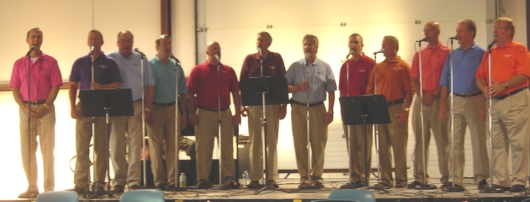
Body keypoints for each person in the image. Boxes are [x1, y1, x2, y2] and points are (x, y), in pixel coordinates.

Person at [475, 17, 530, 192]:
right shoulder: (490, 52)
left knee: (518, 142)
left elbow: (524, 74)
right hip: (495, 102)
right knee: (497, 143)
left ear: (508, 32)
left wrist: (504, 85)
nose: (494, 30)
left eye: (498, 28)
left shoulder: (519, 49)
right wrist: (484, 90)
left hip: (515, 99)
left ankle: (519, 180)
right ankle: (501, 180)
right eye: (494, 27)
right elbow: (479, 76)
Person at [10, 27, 63, 198]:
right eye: (33, 37)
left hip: (45, 110)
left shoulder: (50, 62)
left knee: (48, 151)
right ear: (27, 40)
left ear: (42, 41)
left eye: (39, 37)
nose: (35, 39)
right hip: (26, 110)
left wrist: (46, 106)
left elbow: (55, 85)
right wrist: (25, 108)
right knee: (27, 150)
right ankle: (32, 188)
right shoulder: (19, 63)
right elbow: (15, 89)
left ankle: (49, 189)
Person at [68, 29, 122, 195]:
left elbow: (117, 84)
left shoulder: (110, 62)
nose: (93, 41)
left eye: (96, 38)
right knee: (81, 147)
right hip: (84, 104)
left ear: (102, 42)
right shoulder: (80, 62)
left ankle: (99, 183)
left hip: (102, 105)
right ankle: (80, 184)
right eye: (91, 38)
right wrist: (72, 107)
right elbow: (72, 84)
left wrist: (102, 87)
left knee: (101, 147)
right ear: (87, 42)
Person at [438, 19, 489, 190]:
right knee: (455, 141)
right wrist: (442, 106)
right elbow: (445, 81)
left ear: (471, 33)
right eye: (456, 30)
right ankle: (456, 180)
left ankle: (481, 178)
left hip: (476, 99)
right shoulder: (452, 54)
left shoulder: (482, 53)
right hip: (456, 100)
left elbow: (487, 80)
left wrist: (486, 105)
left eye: (461, 31)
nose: (457, 34)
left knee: (478, 140)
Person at [187, 41, 241, 189]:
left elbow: (236, 93)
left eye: (218, 48)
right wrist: (192, 113)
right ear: (207, 52)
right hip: (204, 112)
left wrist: (237, 113)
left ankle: (228, 178)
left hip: (224, 112)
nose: (217, 50)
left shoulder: (228, 70)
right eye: (213, 48)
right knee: (204, 148)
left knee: (227, 148)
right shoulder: (197, 70)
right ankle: (203, 179)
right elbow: (190, 94)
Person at [285, 34, 336, 189]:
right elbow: (284, 87)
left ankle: (317, 177)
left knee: (318, 143)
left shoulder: (325, 67)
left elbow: (332, 90)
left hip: (318, 108)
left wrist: (331, 111)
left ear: (316, 48)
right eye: (305, 44)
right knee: (300, 143)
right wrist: (297, 87)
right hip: (299, 108)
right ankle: (304, 178)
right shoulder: (295, 66)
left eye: (310, 44)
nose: (307, 47)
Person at [108, 30, 155, 192]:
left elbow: (150, 85)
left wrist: (147, 107)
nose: (126, 44)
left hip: (136, 105)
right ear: (117, 43)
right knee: (116, 145)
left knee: (135, 145)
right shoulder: (110, 58)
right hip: (117, 105)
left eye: (129, 41)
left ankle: (133, 180)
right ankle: (118, 181)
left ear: (133, 42)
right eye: (123, 41)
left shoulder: (141, 59)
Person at [240, 31, 286, 189]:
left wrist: (284, 105)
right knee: (255, 142)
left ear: (269, 43)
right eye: (257, 39)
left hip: (272, 104)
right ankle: (254, 177)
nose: (259, 42)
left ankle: (271, 178)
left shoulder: (277, 58)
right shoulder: (250, 59)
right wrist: (241, 105)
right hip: (254, 104)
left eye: (262, 40)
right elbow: (243, 83)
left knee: (271, 141)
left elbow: (282, 82)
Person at [408, 21, 450, 189]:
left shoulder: (447, 52)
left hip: (439, 100)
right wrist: (422, 94)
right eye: (424, 31)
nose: (426, 33)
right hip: (421, 100)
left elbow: (447, 78)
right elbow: (413, 79)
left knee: (442, 141)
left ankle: (447, 177)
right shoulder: (419, 54)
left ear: (437, 31)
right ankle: (420, 178)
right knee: (420, 140)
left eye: (429, 30)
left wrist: (434, 94)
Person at [366, 35, 412, 189]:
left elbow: (409, 91)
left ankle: (401, 179)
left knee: (399, 144)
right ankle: (386, 179)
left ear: (394, 46)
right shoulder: (377, 67)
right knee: (383, 145)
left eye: (385, 44)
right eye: (382, 44)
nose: (382, 47)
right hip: (380, 107)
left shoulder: (403, 66)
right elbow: (370, 90)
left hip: (397, 106)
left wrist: (406, 109)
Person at [147, 34, 189, 190]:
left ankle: (172, 181)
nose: (168, 46)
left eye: (169, 43)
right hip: (155, 109)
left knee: (173, 147)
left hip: (173, 109)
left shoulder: (176, 66)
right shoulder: (149, 65)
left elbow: (183, 92)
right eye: (164, 43)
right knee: (155, 147)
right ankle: (159, 181)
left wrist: (184, 112)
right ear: (157, 47)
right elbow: (145, 89)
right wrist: (147, 110)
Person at [338, 33, 375, 189]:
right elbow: (341, 89)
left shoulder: (370, 63)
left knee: (364, 143)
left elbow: (373, 87)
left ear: (362, 45)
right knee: (351, 144)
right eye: (350, 43)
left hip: (364, 107)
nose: (353, 45)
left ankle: (364, 177)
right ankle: (354, 177)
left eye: (356, 42)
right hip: (349, 107)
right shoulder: (345, 66)